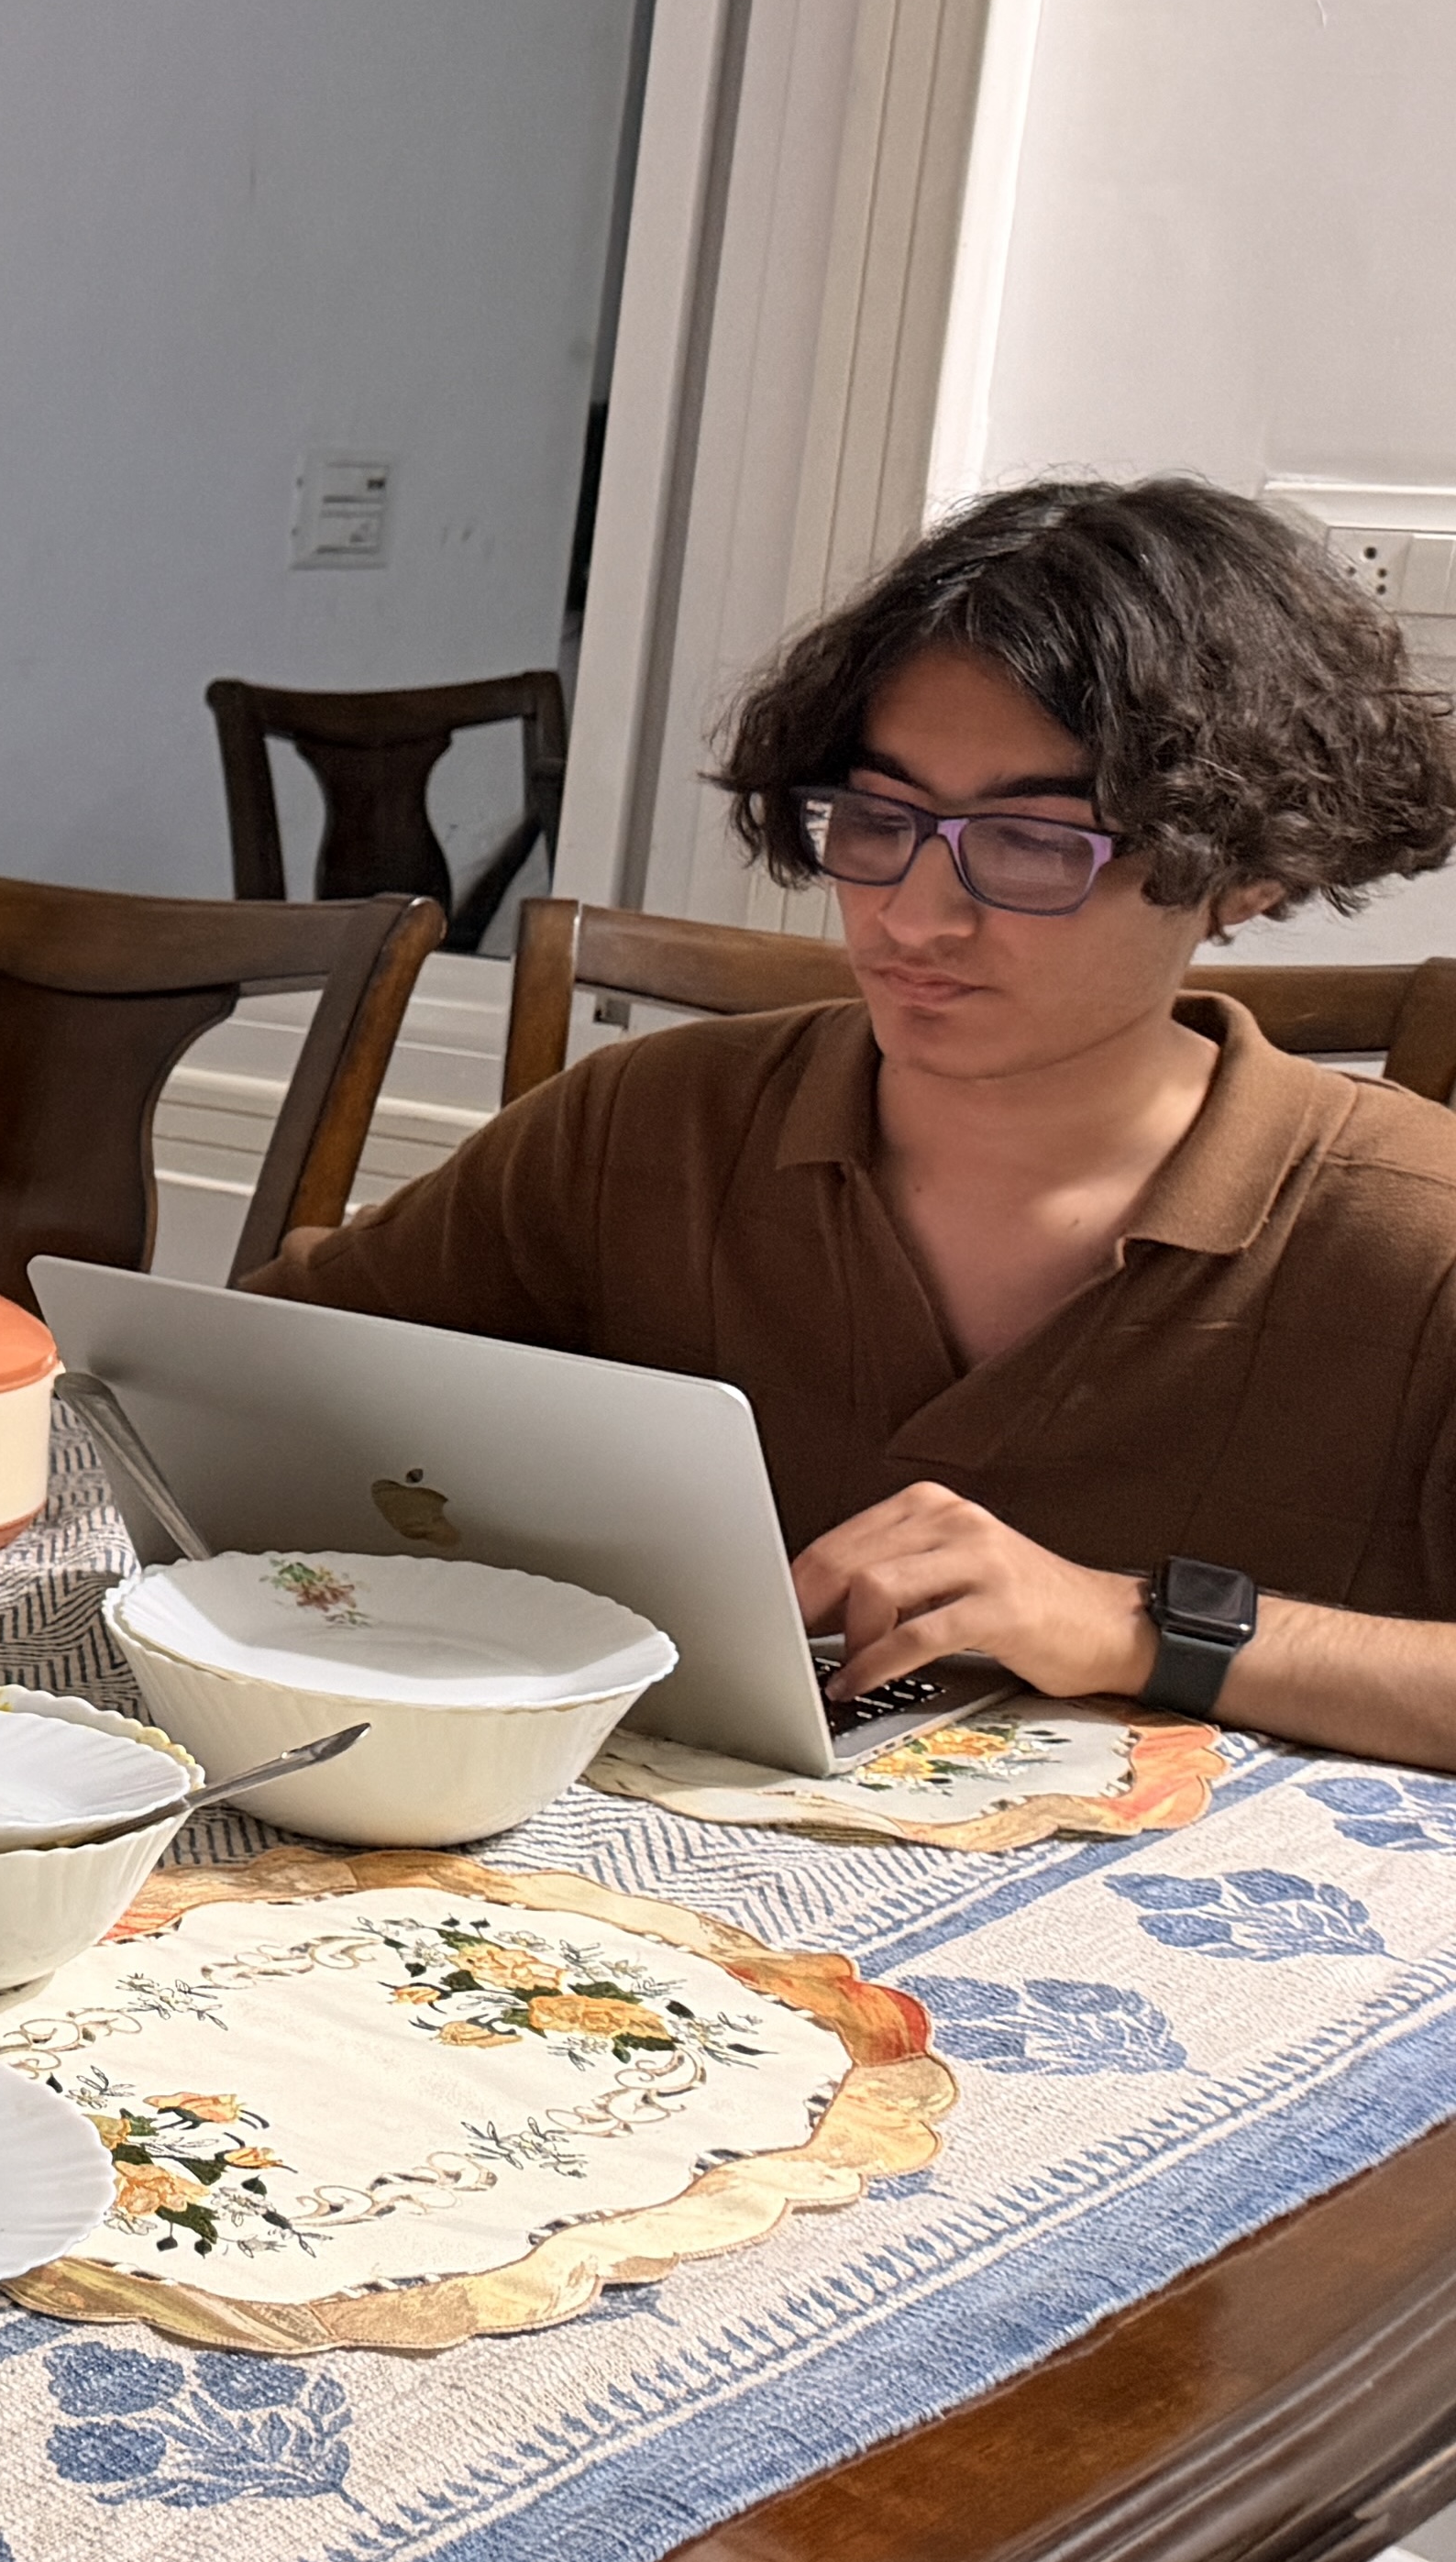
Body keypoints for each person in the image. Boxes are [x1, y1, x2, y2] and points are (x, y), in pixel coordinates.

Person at [250, 474, 1456, 1765]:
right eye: (878, 819)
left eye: (1035, 843)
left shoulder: (1412, 1237)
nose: (916, 916)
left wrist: (1138, 1626)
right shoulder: (650, 1124)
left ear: (1246, 866)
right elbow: (248, 1394)